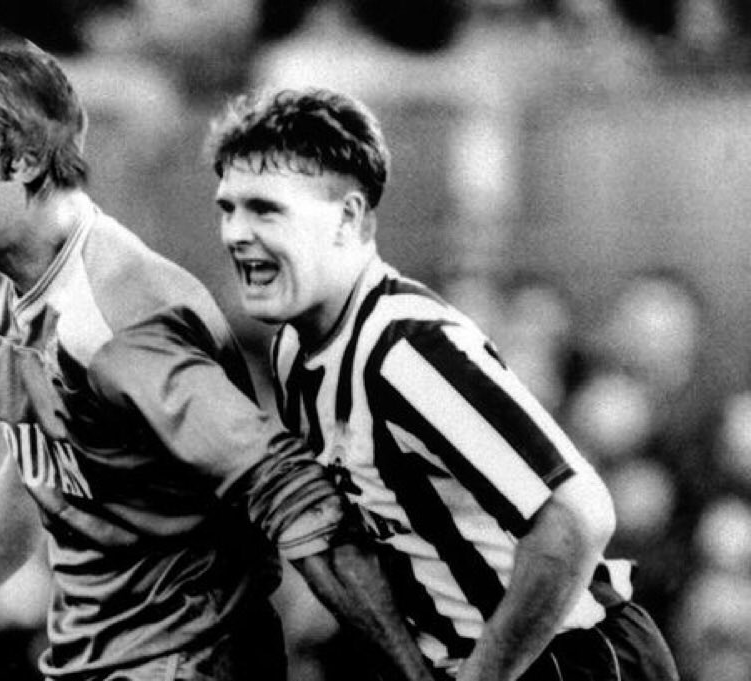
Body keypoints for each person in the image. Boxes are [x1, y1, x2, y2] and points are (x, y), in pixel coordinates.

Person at [0, 31, 434, 681]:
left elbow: (294, 494)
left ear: (22, 161)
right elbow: (36, 466)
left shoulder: (120, 317)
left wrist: (412, 672)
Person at [206, 87, 681, 681]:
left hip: (572, 659)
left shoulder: (405, 349)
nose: (235, 233)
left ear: (347, 217)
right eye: (229, 209)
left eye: (265, 210)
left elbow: (578, 516)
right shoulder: (293, 351)